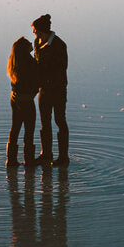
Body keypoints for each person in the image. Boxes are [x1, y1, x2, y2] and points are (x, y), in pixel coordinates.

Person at [32, 13, 69, 166]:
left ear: (42, 30)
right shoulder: (37, 43)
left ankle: (63, 157)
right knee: (44, 122)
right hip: (44, 89)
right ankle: (46, 154)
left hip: (58, 89)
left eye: (35, 30)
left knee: (60, 120)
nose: (34, 33)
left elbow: (60, 68)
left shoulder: (59, 45)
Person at [5, 36, 40, 168]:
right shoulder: (29, 62)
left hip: (15, 98)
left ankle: (11, 160)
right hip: (26, 100)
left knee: (15, 128)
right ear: (25, 48)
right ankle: (29, 161)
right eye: (29, 43)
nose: (32, 44)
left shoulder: (13, 61)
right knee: (29, 130)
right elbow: (36, 79)